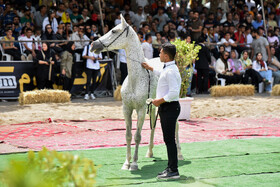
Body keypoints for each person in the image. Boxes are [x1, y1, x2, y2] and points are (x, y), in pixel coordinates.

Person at [141, 43, 181, 180]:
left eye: (160, 53)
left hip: (169, 107)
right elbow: (161, 74)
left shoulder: (170, 71)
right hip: (168, 107)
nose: (159, 55)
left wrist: (159, 101)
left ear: (166, 55)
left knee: (169, 140)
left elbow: (174, 92)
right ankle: (171, 168)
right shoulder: (168, 68)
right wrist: (151, 68)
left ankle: (174, 170)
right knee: (168, 139)